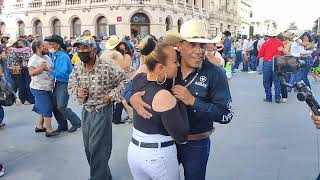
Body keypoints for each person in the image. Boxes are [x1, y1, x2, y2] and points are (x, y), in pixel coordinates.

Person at [130, 19, 233, 180]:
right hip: (166, 143)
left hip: (197, 144)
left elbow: (227, 115)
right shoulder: (168, 62)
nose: (199, 51)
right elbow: (135, 81)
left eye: (203, 45)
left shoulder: (215, 73)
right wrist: (132, 97)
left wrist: (193, 101)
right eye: (193, 44)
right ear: (180, 45)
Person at [68, 36, 128, 180]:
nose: (81, 51)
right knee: (89, 148)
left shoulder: (107, 66)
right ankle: (104, 175)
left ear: (94, 50)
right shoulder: (77, 68)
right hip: (86, 111)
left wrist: (111, 95)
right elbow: (70, 86)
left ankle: (97, 177)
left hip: (102, 110)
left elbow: (125, 81)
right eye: (79, 49)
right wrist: (77, 92)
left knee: (98, 148)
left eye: (85, 48)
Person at [128, 44, 189, 180]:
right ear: (160, 67)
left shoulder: (139, 78)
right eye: (175, 62)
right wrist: (182, 101)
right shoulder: (163, 95)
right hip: (158, 157)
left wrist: (131, 97)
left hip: (135, 152)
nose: (178, 65)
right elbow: (181, 135)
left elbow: (127, 90)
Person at [44, 35, 81, 133]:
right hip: (59, 82)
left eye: (51, 44)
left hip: (65, 82)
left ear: (57, 45)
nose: (49, 46)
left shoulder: (63, 56)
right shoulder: (53, 55)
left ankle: (76, 122)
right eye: (49, 44)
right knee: (54, 105)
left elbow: (62, 73)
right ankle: (63, 125)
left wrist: (49, 70)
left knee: (61, 105)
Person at [28, 40, 59, 137]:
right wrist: (41, 68)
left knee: (41, 106)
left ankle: (40, 126)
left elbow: (51, 68)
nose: (46, 47)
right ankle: (49, 130)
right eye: (43, 46)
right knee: (47, 106)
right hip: (39, 87)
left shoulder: (46, 56)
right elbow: (31, 73)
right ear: (37, 48)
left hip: (47, 87)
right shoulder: (33, 59)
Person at [257, 20, 284, 103]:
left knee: (266, 81)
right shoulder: (280, 43)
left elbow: (260, 55)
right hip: (277, 63)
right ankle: (277, 98)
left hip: (268, 63)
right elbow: (283, 53)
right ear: (276, 35)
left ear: (268, 35)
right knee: (277, 81)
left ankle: (268, 97)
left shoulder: (265, 43)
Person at [6, 38, 34, 105]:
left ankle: (21, 99)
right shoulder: (14, 50)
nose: (19, 44)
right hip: (17, 69)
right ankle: (23, 99)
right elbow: (24, 57)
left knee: (18, 85)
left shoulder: (11, 50)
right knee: (21, 85)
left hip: (14, 69)